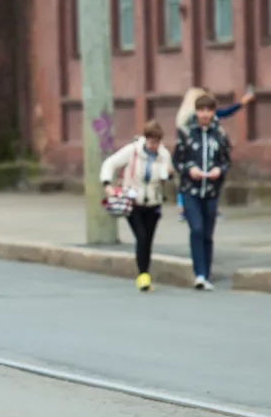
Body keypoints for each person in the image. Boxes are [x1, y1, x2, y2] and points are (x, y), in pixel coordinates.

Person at [101, 121, 172, 292]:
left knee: (148, 240)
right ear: (145, 139)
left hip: (153, 203)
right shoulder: (132, 151)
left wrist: (169, 174)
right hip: (133, 202)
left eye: (157, 142)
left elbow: (165, 176)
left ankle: (145, 273)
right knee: (141, 237)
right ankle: (143, 275)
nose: (153, 146)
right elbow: (110, 163)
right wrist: (107, 184)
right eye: (151, 142)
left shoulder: (164, 155)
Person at [172, 94, 230, 291]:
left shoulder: (219, 134)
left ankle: (206, 272)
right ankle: (199, 274)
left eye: (209, 110)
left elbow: (226, 161)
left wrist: (219, 171)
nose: (205, 115)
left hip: (212, 191)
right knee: (196, 228)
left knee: (207, 233)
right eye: (201, 110)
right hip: (191, 190)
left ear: (213, 112)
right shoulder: (186, 133)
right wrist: (189, 169)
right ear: (196, 112)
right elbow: (177, 160)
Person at [174, 87, 252, 220]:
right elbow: (224, 113)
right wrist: (242, 103)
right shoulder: (194, 120)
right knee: (193, 179)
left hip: (199, 154)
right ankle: (192, 209)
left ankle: (186, 209)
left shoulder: (184, 116)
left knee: (187, 180)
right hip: (201, 153)